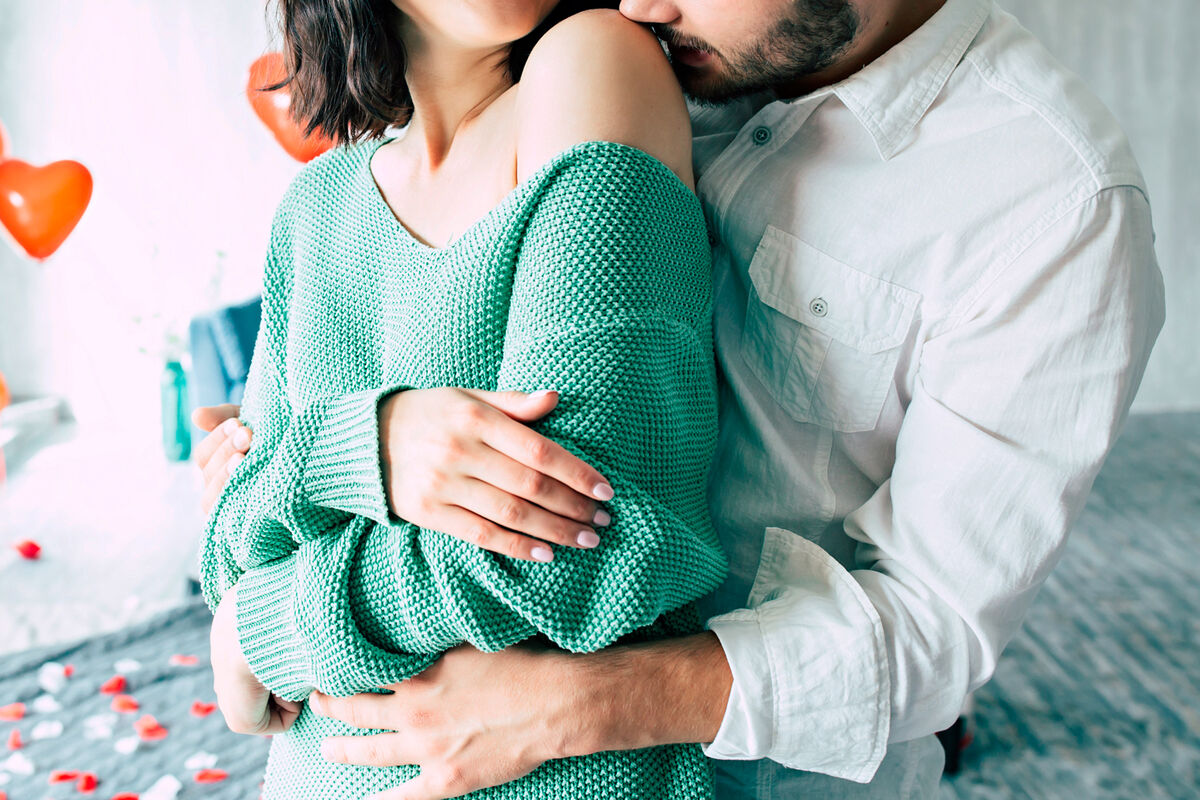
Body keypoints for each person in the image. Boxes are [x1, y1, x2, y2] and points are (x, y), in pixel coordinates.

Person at [197, 0, 1166, 797]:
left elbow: (933, 630)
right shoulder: (342, 197)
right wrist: (365, 443)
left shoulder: (1054, 197)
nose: (639, 3)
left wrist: (579, 701)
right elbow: (238, 505)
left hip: (756, 771)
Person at [197, 0, 733, 798]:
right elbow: (229, 550)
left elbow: (586, 537)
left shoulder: (593, 63)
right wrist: (369, 444)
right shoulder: (314, 206)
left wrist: (263, 629)